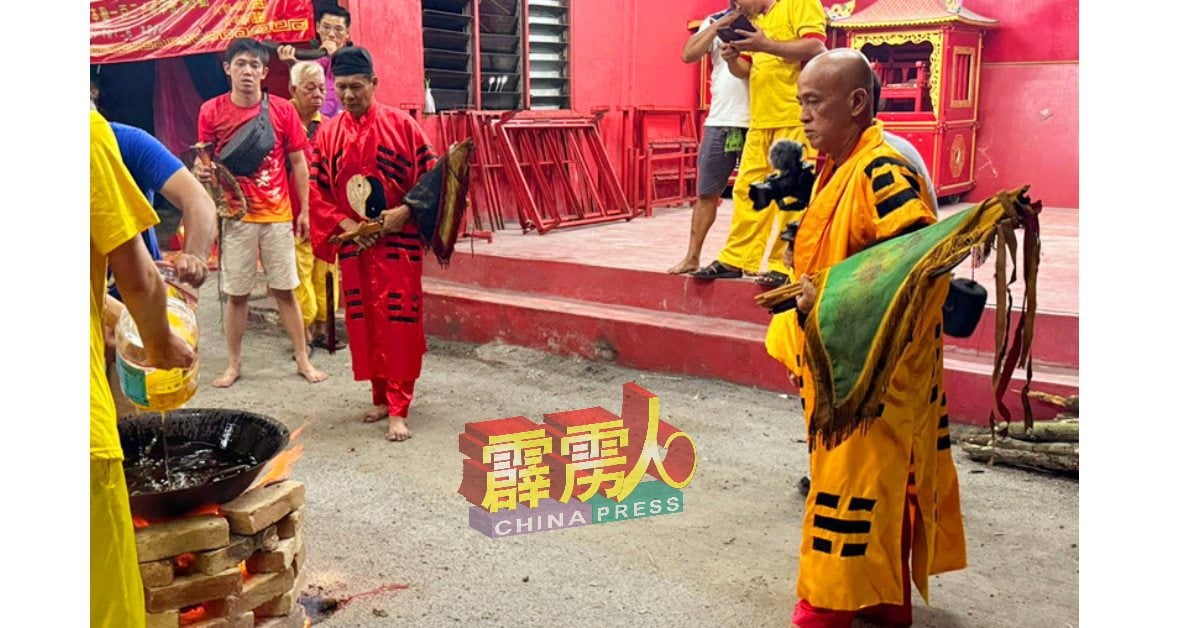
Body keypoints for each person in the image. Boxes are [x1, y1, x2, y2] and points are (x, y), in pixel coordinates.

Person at [767, 49, 965, 627]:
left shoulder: (881, 169)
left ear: (856, 103)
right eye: (800, 103)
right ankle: (882, 600)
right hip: (846, 363)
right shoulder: (840, 164)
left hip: (871, 372)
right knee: (878, 484)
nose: (802, 116)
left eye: (813, 103)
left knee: (846, 489)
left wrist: (821, 296)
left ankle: (824, 609)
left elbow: (918, 265)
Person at [90, 108, 197, 627]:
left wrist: (120, 317)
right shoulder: (84, 137)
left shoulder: (131, 142)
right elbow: (137, 277)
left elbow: (196, 200)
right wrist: (159, 345)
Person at [308, 47, 437, 442]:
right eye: (341, 87)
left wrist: (405, 212)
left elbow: (433, 182)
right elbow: (316, 190)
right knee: (365, 323)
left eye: (357, 87)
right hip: (354, 246)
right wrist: (345, 223)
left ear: (374, 84)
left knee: (398, 322)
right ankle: (380, 397)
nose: (348, 96)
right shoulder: (328, 133)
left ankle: (400, 408)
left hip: (398, 244)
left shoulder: (403, 126)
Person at [194, 38, 328, 387]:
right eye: (240, 64)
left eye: (255, 65)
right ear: (228, 69)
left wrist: (305, 212)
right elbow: (204, 159)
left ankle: (302, 357)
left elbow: (300, 163)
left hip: (278, 216)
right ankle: (234, 364)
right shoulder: (211, 111)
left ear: (265, 71)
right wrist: (201, 170)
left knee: (285, 290)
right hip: (236, 217)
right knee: (236, 294)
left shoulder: (282, 109)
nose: (248, 71)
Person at [692, 0, 827, 287]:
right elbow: (748, 70)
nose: (738, 3)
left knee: (790, 193)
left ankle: (784, 264)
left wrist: (765, 44)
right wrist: (732, 59)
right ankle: (737, 258)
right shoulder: (756, 19)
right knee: (747, 189)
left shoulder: (800, 4)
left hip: (793, 115)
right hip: (760, 117)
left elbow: (816, 48)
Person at [667, 1, 750, 275]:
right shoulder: (715, 20)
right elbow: (688, 54)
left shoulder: (770, 20)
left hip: (760, 120)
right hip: (721, 120)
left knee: (756, 195)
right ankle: (692, 256)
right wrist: (718, 27)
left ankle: (744, 260)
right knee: (706, 193)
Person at [288, 60, 342, 349]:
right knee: (298, 272)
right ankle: (304, 329)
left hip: (327, 214)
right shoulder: (280, 123)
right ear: (293, 89)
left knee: (327, 272)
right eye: (310, 88)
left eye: (322, 88)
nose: (318, 94)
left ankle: (324, 329)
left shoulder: (331, 127)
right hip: (292, 213)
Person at [277, 4, 353, 118]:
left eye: (338, 29)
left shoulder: (355, 59)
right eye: (326, 27)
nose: (331, 34)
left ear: (347, 33)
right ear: (318, 27)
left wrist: (335, 56)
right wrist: (292, 65)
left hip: (345, 128)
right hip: (316, 127)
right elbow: (298, 94)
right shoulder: (311, 59)